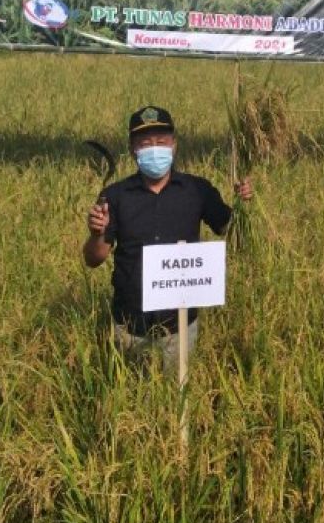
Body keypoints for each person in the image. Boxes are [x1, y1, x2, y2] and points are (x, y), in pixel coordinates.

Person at [82, 106, 252, 370]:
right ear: (132, 148)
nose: (154, 148)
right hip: (130, 325)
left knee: (176, 399)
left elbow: (234, 234)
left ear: (174, 145)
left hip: (179, 326)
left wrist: (243, 205)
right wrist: (96, 234)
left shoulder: (197, 190)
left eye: (161, 141)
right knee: (130, 399)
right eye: (145, 142)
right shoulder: (115, 196)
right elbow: (94, 258)